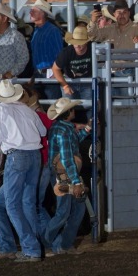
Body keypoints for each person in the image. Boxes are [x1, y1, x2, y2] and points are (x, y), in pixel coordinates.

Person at [0, 80, 47, 262]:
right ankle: (33, 246)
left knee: (11, 204)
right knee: (26, 202)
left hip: (16, 156)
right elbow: (43, 132)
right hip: (34, 156)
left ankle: (30, 248)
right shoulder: (27, 109)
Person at [44, 97, 92, 255]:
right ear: (69, 112)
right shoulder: (64, 130)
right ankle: (50, 243)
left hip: (63, 173)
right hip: (64, 174)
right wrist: (76, 181)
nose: (74, 111)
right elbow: (66, 158)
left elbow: (71, 146)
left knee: (70, 210)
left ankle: (60, 244)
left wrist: (86, 130)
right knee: (67, 211)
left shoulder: (63, 128)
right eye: (72, 109)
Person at [87, 0, 138, 79]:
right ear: (114, 14)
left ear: (129, 13)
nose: (122, 15)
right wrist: (93, 21)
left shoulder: (137, 28)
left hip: (129, 70)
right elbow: (92, 36)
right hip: (111, 72)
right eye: (119, 12)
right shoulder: (109, 28)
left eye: (124, 12)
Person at [28, 0, 64, 100]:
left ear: (42, 14)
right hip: (41, 73)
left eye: (34, 11)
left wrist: (55, 73)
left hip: (48, 73)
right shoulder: (40, 30)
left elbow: (59, 54)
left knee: (49, 104)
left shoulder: (52, 31)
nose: (30, 12)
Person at [52, 26, 93, 103]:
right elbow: (55, 68)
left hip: (87, 81)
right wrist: (65, 85)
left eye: (80, 42)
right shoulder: (66, 52)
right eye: (75, 42)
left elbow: (55, 68)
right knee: (69, 107)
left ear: (86, 42)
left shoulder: (92, 50)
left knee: (89, 105)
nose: (77, 45)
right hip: (69, 81)